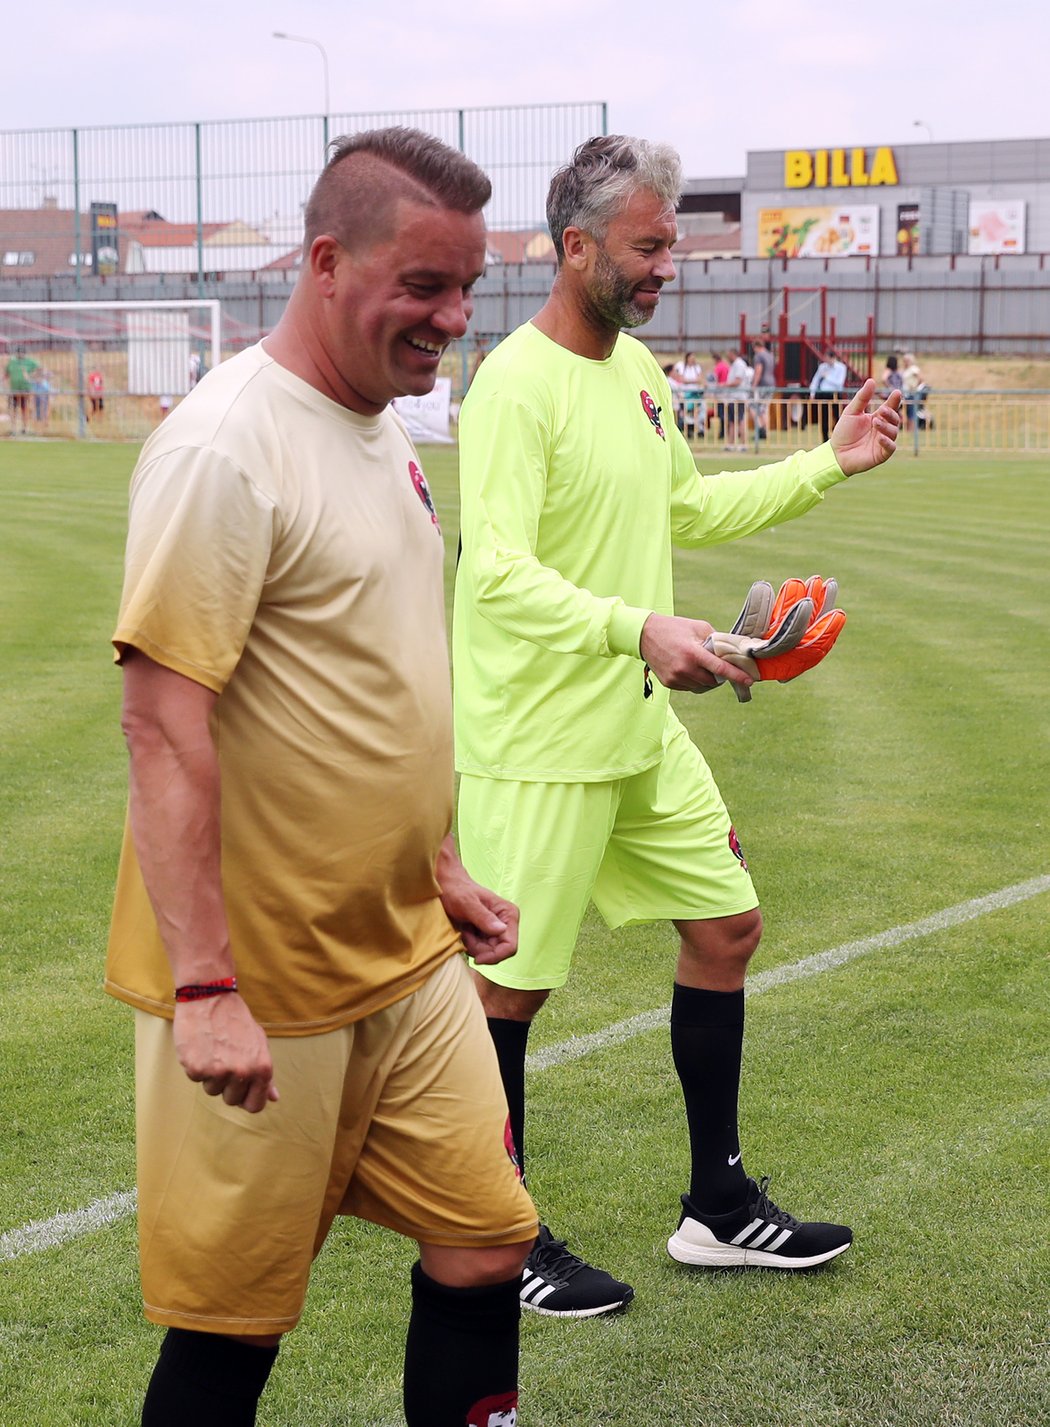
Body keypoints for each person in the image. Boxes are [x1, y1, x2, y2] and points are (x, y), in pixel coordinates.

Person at [106, 126, 537, 1427]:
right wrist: (207, 986)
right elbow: (162, 722)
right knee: (233, 1325)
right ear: (324, 260)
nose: (451, 318)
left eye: (467, 287)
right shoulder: (224, 447)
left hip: (402, 952)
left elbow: (372, 672)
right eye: (424, 285)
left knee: (484, 1238)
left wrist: (438, 864)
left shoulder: (376, 427)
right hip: (265, 979)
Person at [453, 133, 901, 1318]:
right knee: (510, 992)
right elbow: (492, 573)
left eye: (672, 244)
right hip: (537, 740)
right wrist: (636, 627)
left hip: (636, 725)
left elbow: (688, 507)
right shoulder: (512, 384)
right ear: (577, 245)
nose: (668, 265)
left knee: (729, 925)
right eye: (649, 246)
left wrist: (829, 464)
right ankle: (506, 1235)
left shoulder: (642, 373)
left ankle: (716, 1203)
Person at [809, 347, 847, 439]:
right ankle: (824, 439)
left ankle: (838, 437)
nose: (826, 360)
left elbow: (839, 383)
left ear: (833, 357)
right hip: (823, 393)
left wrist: (827, 377)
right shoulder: (822, 367)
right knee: (823, 416)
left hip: (835, 393)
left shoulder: (841, 368)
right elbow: (815, 380)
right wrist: (812, 393)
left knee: (837, 416)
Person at [724, 347, 752, 450]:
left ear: (732, 354)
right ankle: (730, 444)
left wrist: (725, 385)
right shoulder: (735, 364)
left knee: (740, 420)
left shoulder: (739, 364)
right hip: (733, 397)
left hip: (738, 396)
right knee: (732, 421)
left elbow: (738, 381)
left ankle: (743, 444)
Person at [670, 350, 703, 437]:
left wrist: (687, 381)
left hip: (695, 394)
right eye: (691, 358)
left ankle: (695, 429)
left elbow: (700, 379)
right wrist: (693, 381)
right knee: (684, 413)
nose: (693, 360)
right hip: (684, 394)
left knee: (694, 413)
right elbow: (681, 379)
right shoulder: (681, 366)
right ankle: (685, 429)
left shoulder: (697, 367)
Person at [5, 348, 39, 433]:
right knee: (13, 409)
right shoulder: (12, 362)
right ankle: (13, 428)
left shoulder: (30, 362)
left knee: (25, 409)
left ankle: (25, 428)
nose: (20, 354)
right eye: (18, 353)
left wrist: (31, 376)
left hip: (25, 389)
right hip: (14, 390)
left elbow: (39, 370)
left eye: (22, 353)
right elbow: (6, 374)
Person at [751, 337, 776, 439]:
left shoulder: (759, 356)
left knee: (753, 406)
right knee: (764, 409)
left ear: (756, 347)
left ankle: (761, 429)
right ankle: (766, 431)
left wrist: (754, 384)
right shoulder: (770, 355)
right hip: (771, 384)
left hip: (762, 385)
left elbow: (758, 370)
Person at [710, 350, 729, 441]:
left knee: (721, 413)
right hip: (726, 392)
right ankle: (725, 431)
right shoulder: (726, 366)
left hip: (720, 392)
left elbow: (715, 379)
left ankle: (723, 432)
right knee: (725, 413)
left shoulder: (718, 367)